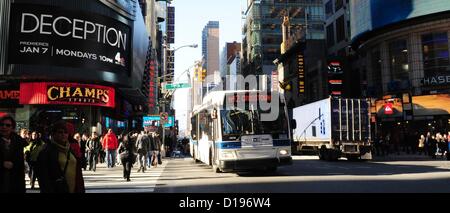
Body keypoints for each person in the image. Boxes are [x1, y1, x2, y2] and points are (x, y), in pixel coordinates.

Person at [35, 120, 85, 193]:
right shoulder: (46, 151)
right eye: (60, 132)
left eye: (65, 132)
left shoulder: (69, 149)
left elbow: (78, 173)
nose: (63, 135)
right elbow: (43, 177)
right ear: (53, 134)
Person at [0, 113, 26, 193]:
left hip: (14, 183)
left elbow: (20, 166)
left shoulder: (18, 142)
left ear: (12, 128)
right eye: (2, 124)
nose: (4, 127)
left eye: (8, 125)